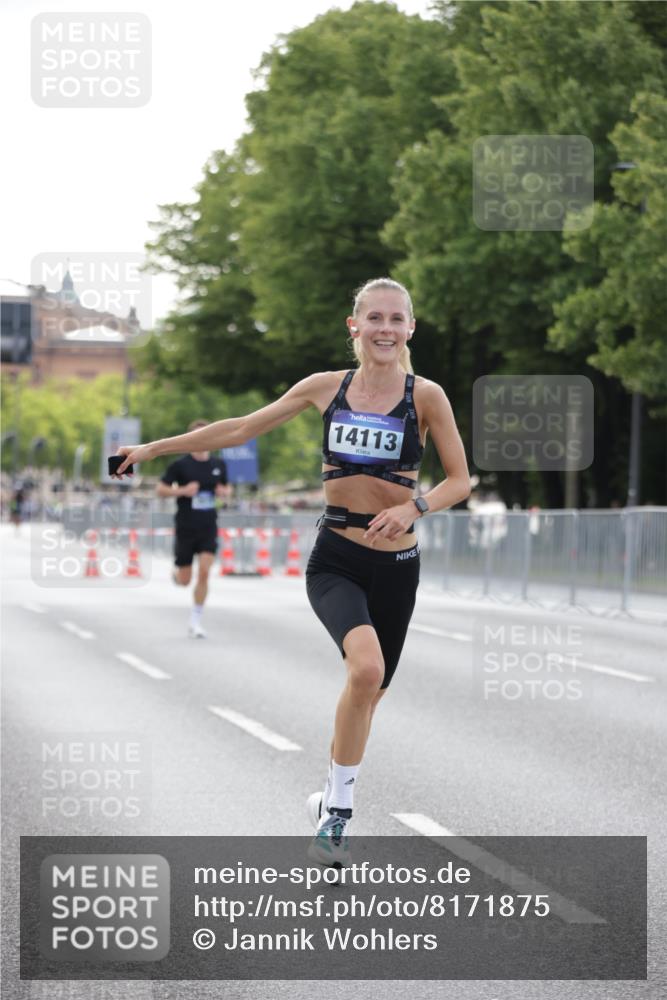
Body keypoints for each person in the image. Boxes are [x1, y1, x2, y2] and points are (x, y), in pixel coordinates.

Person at [113, 278, 471, 865]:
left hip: (399, 563)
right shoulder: (325, 389)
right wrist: (153, 449)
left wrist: (414, 506)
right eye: (373, 318)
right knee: (366, 670)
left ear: (410, 329)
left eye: (396, 319)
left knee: (370, 692)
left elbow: (461, 480)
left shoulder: (425, 396)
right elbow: (238, 428)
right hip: (336, 557)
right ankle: (339, 817)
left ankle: (328, 796)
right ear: (354, 327)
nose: (385, 328)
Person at [156, 419, 229, 638]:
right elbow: (160, 489)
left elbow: (226, 489)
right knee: (185, 580)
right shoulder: (180, 465)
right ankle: (177, 575)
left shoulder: (219, 465)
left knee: (205, 573)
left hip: (208, 525)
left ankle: (195, 620)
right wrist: (183, 491)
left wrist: (224, 494)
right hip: (186, 526)